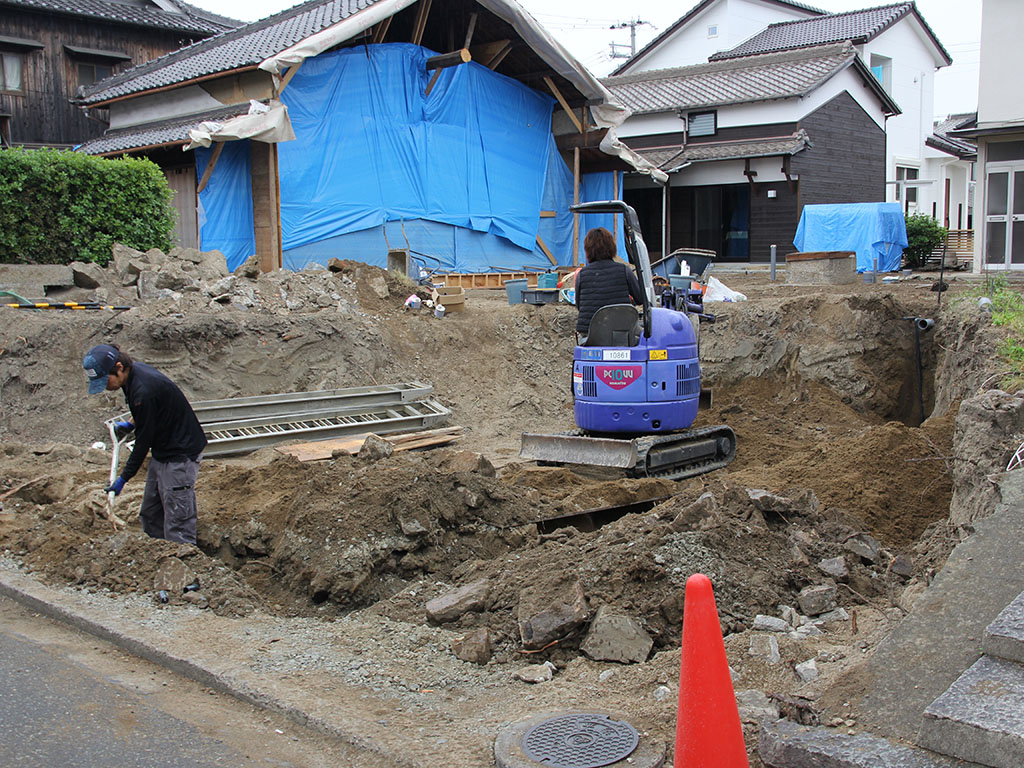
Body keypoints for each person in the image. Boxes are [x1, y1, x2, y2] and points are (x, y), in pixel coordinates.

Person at [83, 344, 207, 545]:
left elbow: (142, 444)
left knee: (177, 521)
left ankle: (183, 562)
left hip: (180, 454)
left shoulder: (144, 389)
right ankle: (157, 553)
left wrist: (123, 478)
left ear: (119, 367)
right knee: (151, 514)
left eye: (106, 380)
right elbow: (153, 409)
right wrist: (132, 423)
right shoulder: (133, 377)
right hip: (163, 449)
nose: (105, 386)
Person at [574, 226, 643, 339]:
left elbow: (579, 305)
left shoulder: (582, 275)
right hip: (620, 332)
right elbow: (640, 298)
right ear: (612, 247)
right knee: (645, 335)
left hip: (590, 335)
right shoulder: (624, 270)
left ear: (587, 250)